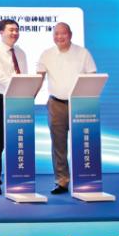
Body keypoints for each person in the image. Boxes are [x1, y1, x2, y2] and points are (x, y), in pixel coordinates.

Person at [36, 22, 97, 195]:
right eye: (56, 34)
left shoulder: (83, 53)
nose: (59, 37)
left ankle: (84, 179)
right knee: (58, 145)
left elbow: (92, 76)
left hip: (80, 104)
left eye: (63, 33)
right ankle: (62, 181)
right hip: (56, 104)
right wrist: (27, 97)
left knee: (82, 143)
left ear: (70, 34)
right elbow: (39, 79)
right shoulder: (46, 54)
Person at [0, 18, 29, 195]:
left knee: (18, 139)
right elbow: (1, 78)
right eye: (11, 30)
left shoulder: (21, 53)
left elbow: (24, 75)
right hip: (1, 99)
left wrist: (24, 91)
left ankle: (19, 178)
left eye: (17, 30)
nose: (14, 33)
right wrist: (17, 89)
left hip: (19, 99)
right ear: (1, 32)